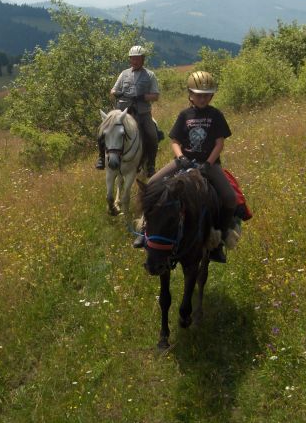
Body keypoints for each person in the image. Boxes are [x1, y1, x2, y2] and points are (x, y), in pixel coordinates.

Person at [145, 70, 237, 263]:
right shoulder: (184, 114)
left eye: (206, 95)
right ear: (190, 94)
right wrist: (181, 158)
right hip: (184, 161)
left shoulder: (216, 115)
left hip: (208, 164)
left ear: (211, 96)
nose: (202, 99)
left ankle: (218, 238)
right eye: (198, 95)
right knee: (151, 186)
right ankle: (145, 230)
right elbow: (175, 140)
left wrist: (208, 164)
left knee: (229, 198)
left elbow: (219, 143)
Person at [95, 45, 160, 177]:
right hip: (122, 113)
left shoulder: (150, 75)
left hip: (142, 113)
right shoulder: (124, 74)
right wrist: (117, 93)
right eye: (132, 59)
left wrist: (143, 97)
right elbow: (112, 91)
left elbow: (156, 95)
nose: (135, 61)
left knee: (152, 134)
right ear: (130, 60)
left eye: (137, 59)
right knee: (102, 131)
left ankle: (151, 165)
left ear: (143, 60)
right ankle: (101, 158)